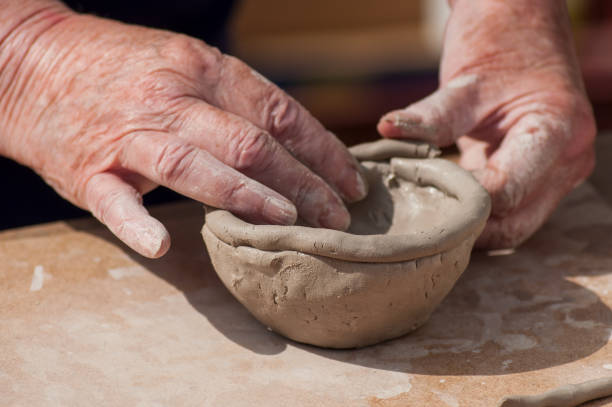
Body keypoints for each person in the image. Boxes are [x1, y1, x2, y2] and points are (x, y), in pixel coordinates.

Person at [0, 0, 595, 258]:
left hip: (182, 68)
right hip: (33, 115)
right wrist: (24, 56)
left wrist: (514, 20)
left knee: (233, 162)